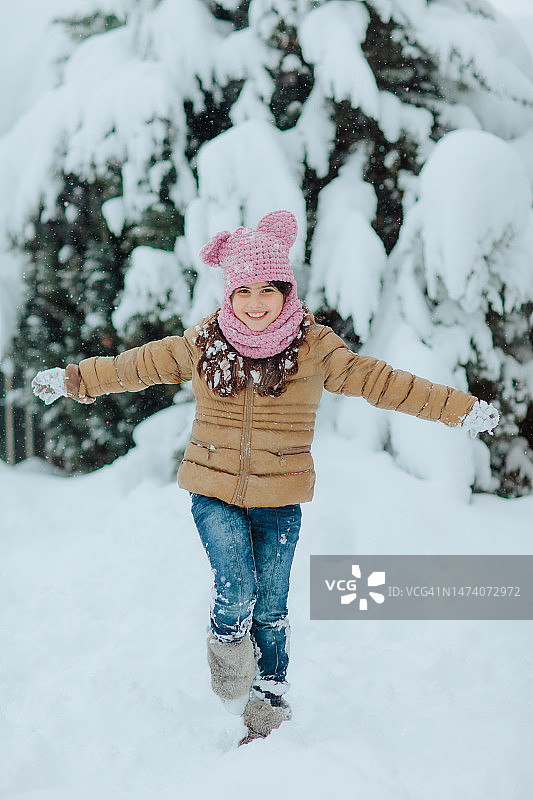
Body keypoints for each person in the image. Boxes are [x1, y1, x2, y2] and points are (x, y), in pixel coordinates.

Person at [32, 210, 500, 745]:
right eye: (243, 291)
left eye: (267, 290)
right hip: (213, 492)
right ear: (229, 296)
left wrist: (458, 409)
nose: (255, 303)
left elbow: (384, 383)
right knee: (237, 586)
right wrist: (74, 379)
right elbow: (132, 366)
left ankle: (267, 711)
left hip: (280, 498)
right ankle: (227, 648)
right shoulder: (203, 346)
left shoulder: (314, 349)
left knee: (272, 607)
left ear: (286, 291)